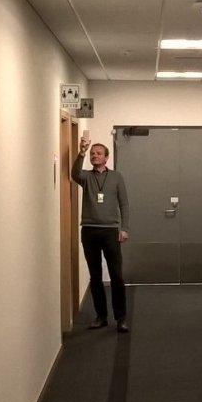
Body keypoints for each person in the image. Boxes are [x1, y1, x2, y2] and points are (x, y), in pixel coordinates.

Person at [72, 138, 131, 333]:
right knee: (95, 276)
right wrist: (81, 153)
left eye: (98, 153)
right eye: (92, 153)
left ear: (106, 158)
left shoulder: (116, 177)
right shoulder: (86, 177)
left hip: (110, 231)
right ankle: (101, 316)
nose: (94, 155)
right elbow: (74, 174)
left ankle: (121, 318)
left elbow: (124, 204)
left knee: (117, 276)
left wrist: (124, 228)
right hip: (89, 230)